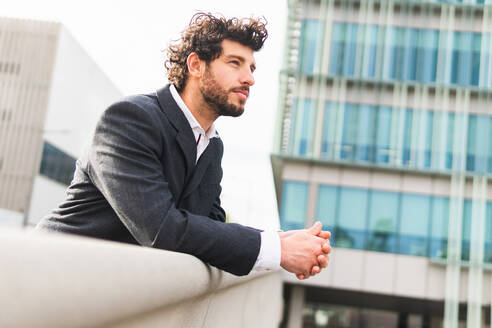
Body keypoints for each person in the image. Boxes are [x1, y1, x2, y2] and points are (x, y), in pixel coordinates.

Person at [36, 13, 331, 280]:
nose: (250, 79)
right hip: (45, 279)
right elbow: (162, 229)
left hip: (107, 287)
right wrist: (277, 250)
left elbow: (210, 224)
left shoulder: (212, 145)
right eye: (235, 63)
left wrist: (280, 241)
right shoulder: (130, 120)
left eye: (252, 67)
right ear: (195, 65)